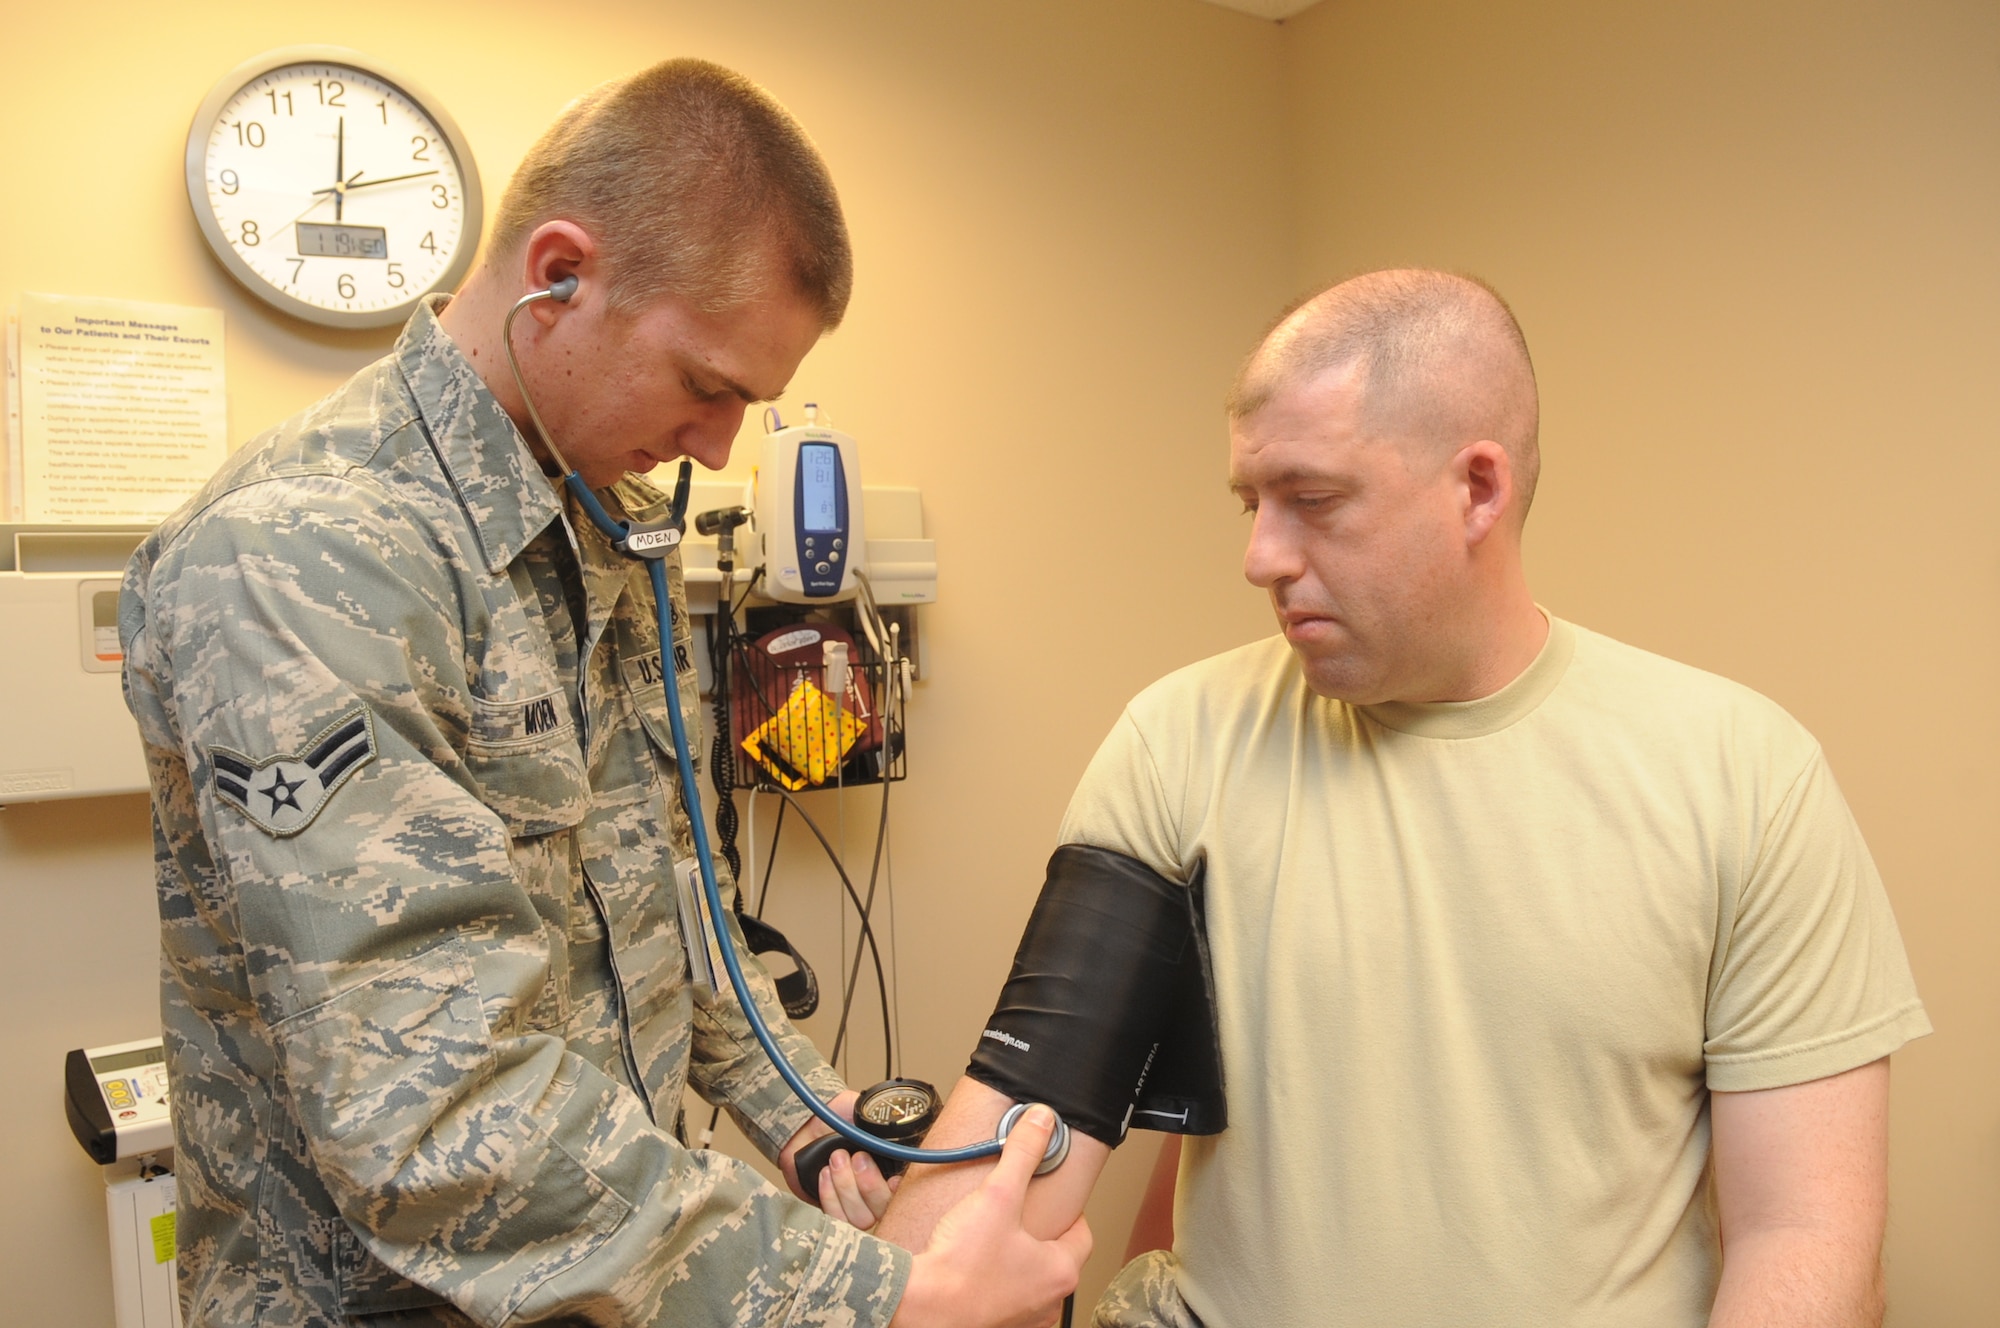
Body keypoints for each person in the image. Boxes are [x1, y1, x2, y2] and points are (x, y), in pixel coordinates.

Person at [120, 59, 1085, 1328]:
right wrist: (877, 1303)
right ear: (559, 274)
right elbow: (438, 1109)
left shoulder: (600, 525)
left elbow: (670, 906)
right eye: (706, 384)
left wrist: (807, 1117)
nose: (718, 446)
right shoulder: (309, 553)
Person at [878, 269, 1930, 1327]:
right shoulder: (1176, 745)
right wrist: (868, 1289)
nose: (1259, 557)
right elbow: (1015, 1137)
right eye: (1252, 502)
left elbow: (1805, 1235)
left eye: (1314, 500)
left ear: (1476, 488)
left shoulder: (1740, 775)